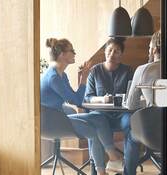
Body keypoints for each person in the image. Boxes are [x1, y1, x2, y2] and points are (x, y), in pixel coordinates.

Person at [40, 38, 121, 175]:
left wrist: (82, 80)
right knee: (93, 131)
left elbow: (74, 98)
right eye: (72, 50)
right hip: (52, 123)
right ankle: (103, 170)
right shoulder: (53, 77)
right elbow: (77, 101)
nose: (75, 53)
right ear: (62, 54)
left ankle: (112, 158)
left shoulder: (62, 75)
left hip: (60, 116)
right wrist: (84, 78)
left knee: (99, 118)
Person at [84, 38, 139, 175]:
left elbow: (133, 95)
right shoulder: (95, 71)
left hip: (122, 114)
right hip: (102, 115)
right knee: (95, 123)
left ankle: (129, 171)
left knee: (133, 126)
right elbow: (88, 97)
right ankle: (97, 170)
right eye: (109, 50)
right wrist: (102, 99)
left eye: (117, 51)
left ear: (121, 55)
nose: (112, 54)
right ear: (104, 52)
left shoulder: (128, 71)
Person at [125, 31, 167, 110]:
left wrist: (149, 103)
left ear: (154, 50)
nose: (149, 52)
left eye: (149, 48)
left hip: (153, 121)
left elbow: (131, 105)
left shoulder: (142, 70)